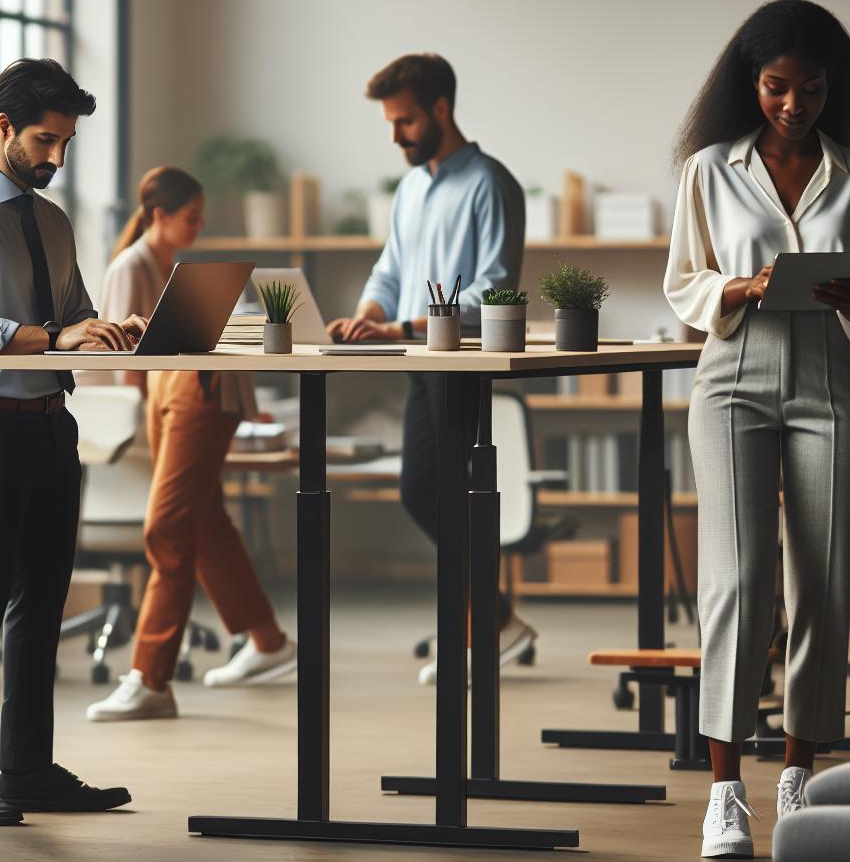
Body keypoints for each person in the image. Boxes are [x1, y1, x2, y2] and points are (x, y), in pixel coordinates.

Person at [663, 0, 850, 859]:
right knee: (737, 580)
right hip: (732, 378)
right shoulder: (708, 172)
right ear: (750, 83)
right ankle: (724, 791)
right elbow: (683, 283)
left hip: (834, 383)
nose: (792, 104)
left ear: (831, 89)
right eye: (775, 87)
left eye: (809, 88)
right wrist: (743, 286)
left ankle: (799, 774)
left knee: (822, 579)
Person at [0, 58, 144, 827]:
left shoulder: (52, 220)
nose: (57, 158)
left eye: (67, 143)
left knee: (42, 606)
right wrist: (49, 334)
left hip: (51, 427)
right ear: (3, 126)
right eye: (46, 140)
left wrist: (114, 332)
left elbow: (74, 316)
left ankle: (27, 771)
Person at [328, 52, 530, 685]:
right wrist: (367, 314)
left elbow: (494, 291)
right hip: (419, 360)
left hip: (463, 361)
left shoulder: (491, 185)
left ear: (442, 109)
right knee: (426, 490)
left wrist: (400, 327)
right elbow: (390, 269)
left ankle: (483, 626)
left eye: (407, 121)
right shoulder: (412, 189)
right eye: (391, 123)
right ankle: (492, 619)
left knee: (436, 491)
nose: (397, 136)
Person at [85, 167, 297, 722]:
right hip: (161, 402)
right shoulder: (133, 266)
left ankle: (151, 677)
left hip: (192, 395)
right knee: (195, 523)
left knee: (175, 527)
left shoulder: (169, 266)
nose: (201, 226)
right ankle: (268, 642)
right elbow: (123, 363)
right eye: (192, 216)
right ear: (160, 216)